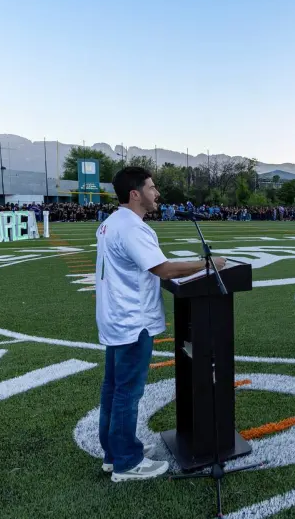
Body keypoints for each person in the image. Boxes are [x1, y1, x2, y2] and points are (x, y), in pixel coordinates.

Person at [95, 166, 227, 483]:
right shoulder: (131, 228)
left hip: (116, 318)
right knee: (126, 392)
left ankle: (114, 455)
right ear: (135, 194)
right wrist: (209, 263)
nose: (157, 194)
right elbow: (164, 270)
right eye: (152, 188)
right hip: (131, 320)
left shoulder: (111, 223)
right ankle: (126, 462)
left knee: (113, 391)